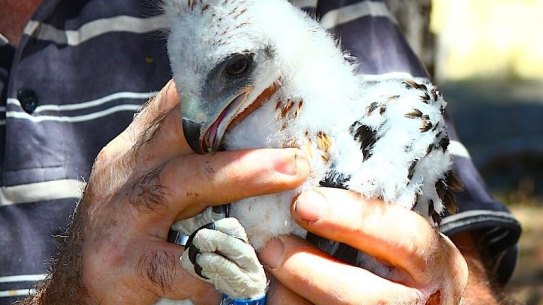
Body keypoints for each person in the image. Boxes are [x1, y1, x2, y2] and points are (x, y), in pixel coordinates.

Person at [0, 0, 521, 304]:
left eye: (233, 71)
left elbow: (453, 272)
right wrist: (70, 294)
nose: (198, 128)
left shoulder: (346, 35)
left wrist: (435, 287)